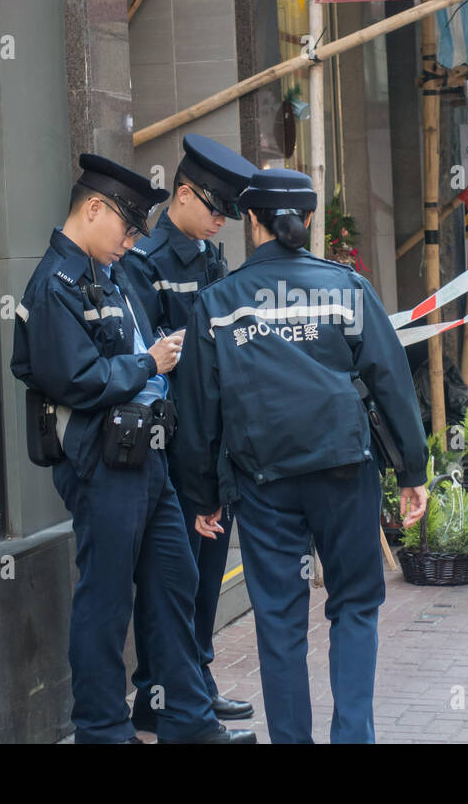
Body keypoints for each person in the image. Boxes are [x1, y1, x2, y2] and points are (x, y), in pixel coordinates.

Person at [171, 169, 430, 743]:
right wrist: (413, 470)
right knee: (356, 605)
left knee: (280, 621)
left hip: (262, 482)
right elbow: (391, 381)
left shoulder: (217, 302)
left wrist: (202, 495)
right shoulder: (348, 288)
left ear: (253, 223)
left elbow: (199, 412)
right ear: (310, 221)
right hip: (344, 471)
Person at [11, 153, 255, 745]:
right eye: (124, 224)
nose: (129, 240)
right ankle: (102, 730)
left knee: (173, 587)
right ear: (92, 209)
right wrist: (148, 362)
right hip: (101, 465)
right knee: (107, 600)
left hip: (148, 460)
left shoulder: (109, 274)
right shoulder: (54, 286)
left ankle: (188, 722)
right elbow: (76, 377)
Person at [115, 134, 258, 732]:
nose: (220, 222)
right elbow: (155, 359)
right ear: (182, 195)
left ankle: (195, 675)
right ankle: (159, 690)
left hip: (213, 441)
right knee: (172, 578)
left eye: (227, 214)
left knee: (204, 570)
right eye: (214, 209)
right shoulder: (146, 263)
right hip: (172, 445)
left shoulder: (210, 259)